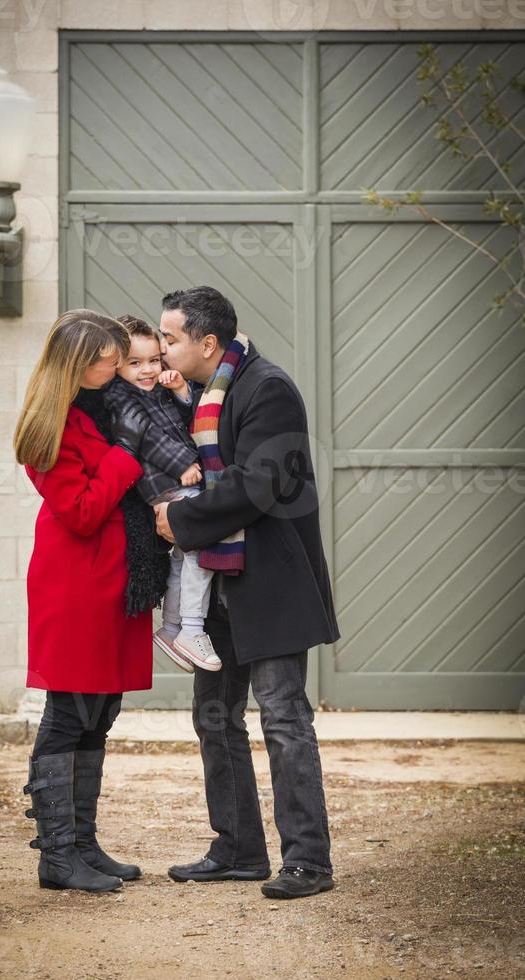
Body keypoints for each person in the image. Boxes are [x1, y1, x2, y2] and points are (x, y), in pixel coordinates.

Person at [153, 286, 341, 900]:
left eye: (171, 337)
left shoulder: (267, 388)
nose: (161, 347)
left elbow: (260, 483)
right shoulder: (197, 396)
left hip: (271, 584)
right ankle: (237, 850)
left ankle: (307, 862)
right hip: (219, 587)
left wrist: (181, 520)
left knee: (284, 720)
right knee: (214, 719)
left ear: (207, 343)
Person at [14, 309, 168, 893]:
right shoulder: (49, 427)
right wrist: (126, 456)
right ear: (80, 362)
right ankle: (56, 855)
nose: (118, 361)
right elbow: (80, 511)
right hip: (77, 584)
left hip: (113, 580)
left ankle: (81, 843)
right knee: (69, 715)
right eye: (109, 354)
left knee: (99, 715)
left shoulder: (102, 408)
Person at [102, 313, 221, 673]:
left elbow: (187, 417)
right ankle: (192, 628)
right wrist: (184, 463)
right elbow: (147, 438)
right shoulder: (120, 397)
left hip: (176, 481)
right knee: (200, 550)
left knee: (182, 557)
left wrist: (181, 390)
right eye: (135, 363)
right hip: (165, 483)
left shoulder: (157, 390)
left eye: (155, 360)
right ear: (118, 364)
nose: (148, 370)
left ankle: (171, 629)